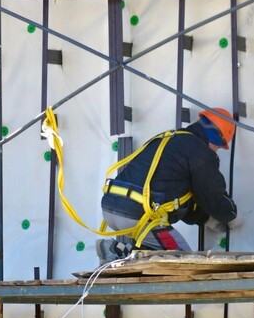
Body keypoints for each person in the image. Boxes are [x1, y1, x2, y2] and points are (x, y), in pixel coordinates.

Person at [97, 108, 240, 262]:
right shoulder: (199, 151)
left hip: (113, 207)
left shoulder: (172, 139)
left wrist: (206, 219)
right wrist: (231, 216)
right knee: (185, 261)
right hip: (139, 214)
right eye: (219, 147)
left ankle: (117, 251)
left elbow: (181, 199)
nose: (217, 151)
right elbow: (212, 194)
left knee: (156, 256)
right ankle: (120, 254)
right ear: (217, 137)